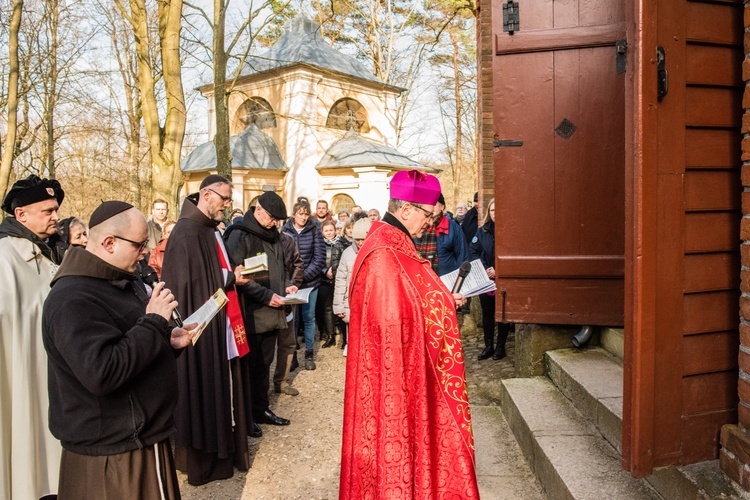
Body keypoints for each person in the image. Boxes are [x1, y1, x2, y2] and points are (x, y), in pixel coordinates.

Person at [339, 169, 479, 498]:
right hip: (392, 381)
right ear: (406, 210)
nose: (431, 224)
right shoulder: (384, 255)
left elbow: (410, 302)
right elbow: (392, 326)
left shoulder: (394, 243)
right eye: (428, 216)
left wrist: (442, 299)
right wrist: (443, 306)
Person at [42, 201, 194, 499]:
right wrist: (153, 322)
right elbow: (103, 372)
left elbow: (129, 347)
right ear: (109, 242)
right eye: (139, 244)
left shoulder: (121, 280)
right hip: (114, 456)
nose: (145, 252)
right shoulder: (72, 298)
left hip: (139, 441)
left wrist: (166, 341)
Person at [161, 175, 256, 486]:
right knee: (204, 389)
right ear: (205, 194)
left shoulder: (208, 229)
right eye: (224, 199)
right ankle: (206, 459)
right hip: (199, 327)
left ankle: (225, 448)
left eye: (229, 200)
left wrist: (229, 275)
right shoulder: (187, 232)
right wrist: (229, 279)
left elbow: (210, 274)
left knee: (224, 388)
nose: (227, 206)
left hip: (219, 320)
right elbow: (190, 285)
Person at [0, 175, 65, 500]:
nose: (55, 216)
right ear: (20, 214)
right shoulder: (4, 260)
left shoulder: (48, 252)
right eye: (47, 211)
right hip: (19, 373)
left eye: (55, 209)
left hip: (47, 374)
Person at [224, 192, 294, 426]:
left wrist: (287, 288)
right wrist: (267, 296)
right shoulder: (239, 235)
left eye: (278, 220)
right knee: (250, 366)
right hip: (250, 313)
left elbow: (279, 269)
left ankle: (260, 409)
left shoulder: (273, 234)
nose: (276, 223)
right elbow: (239, 276)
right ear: (258, 210)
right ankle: (246, 415)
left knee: (264, 364)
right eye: (273, 218)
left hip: (273, 310)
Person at [281, 198, 326, 370]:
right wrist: (291, 281)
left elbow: (319, 257)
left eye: (306, 214)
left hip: (310, 282)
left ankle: (309, 353)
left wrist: (303, 277)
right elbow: (282, 259)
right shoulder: (285, 231)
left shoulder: (314, 230)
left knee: (309, 317)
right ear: (294, 215)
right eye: (300, 214)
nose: (304, 217)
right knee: (293, 320)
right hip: (291, 284)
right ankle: (292, 356)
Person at [471, 198, 510, 360]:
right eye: (492, 210)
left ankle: (501, 347)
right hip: (485, 279)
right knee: (487, 314)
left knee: (502, 314)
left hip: (502, 279)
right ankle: (489, 346)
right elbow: (473, 252)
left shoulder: (509, 231)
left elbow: (509, 255)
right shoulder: (482, 231)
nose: (495, 213)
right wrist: (485, 268)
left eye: (498, 210)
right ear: (489, 212)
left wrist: (497, 269)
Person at [332, 218, 371, 357]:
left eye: (363, 239)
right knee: (353, 330)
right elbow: (341, 280)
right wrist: (338, 306)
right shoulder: (347, 253)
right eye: (357, 239)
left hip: (370, 300)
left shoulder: (375, 252)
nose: (360, 243)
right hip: (351, 300)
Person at [274, 229, 304, 395]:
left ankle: (282, 381)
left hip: (287, 300)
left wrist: (293, 285)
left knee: (288, 342)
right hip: (267, 298)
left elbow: (298, 264)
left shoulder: (288, 240)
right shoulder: (256, 238)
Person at [414, 192, 470, 276]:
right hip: (421, 279)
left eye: (434, 203)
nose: (431, 207)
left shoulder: (453, 227)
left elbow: (462, 257)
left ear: (442, 207)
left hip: (448, 283)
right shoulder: (417, 226)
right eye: (428, 203)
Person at [317, 220, 340, 348]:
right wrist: (325, 271)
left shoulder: (341, 243)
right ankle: (329, 335)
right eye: (326, 231)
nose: (329, 233)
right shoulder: (319, 245)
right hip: (324, 280)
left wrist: (335, 271)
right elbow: (317, 260)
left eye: (331, 230)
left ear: (335, 230)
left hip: (338, 279)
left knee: (338, 306)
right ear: (322, 232)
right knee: (327, 308)